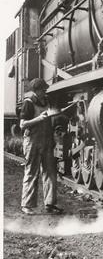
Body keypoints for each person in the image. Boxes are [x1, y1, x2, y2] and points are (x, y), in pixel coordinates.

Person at [19, 77, 63, 215]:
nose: (45, 92)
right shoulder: (28, 103)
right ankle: (27, 205)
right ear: (36, 91)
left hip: (46, 141)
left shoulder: (47, 101)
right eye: (43, 90)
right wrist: (39, 118)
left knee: (50, 173)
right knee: (32, 173)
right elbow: (22, 124)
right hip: (32, 141)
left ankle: (50, 204)